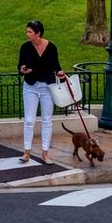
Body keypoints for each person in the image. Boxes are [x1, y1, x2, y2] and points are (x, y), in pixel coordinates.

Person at [18, 20, 66, 163]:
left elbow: (57, 66)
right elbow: (20, 66)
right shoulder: (25, 47)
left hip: (47, 87)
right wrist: (23, 70)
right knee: (29, 120)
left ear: (38, 34)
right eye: (27, 32)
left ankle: (45, 153)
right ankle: (27, 152)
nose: (27, 34)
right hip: (30, 86)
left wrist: (61, 75)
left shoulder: (51, 48)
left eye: (30, 32)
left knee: (47, 121)